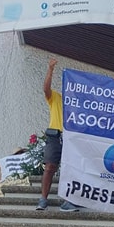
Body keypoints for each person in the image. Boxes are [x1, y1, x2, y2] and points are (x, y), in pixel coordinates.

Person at [36, 57, 79, 212]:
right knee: (49, 167)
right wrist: (50, 69)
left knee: (72, 169)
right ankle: (43, 199)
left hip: (73, 138)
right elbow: (46, 89)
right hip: (55, 136)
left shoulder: (81, 103)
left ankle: (68, 200)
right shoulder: (56, 98)